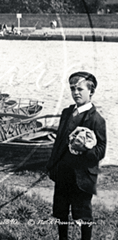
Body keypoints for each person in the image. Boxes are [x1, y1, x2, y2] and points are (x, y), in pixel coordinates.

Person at [46, 71, 106, 240]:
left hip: (82, 177)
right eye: (73, 89)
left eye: (80, 89)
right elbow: (58, 142)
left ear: (91, 92)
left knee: (83, 215)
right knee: (61, 212)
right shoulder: (66, 113)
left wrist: (85, 149)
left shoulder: (97, 119)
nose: (75, 93)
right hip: (63, 173)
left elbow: (101, 150)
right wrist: (51, 165)